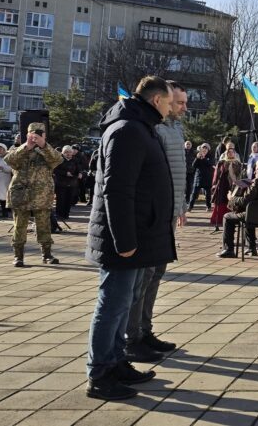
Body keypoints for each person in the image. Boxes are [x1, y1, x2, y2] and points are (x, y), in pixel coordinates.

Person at [85, 76, 175, 401]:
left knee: (123, 305)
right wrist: (124, 240)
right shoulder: (127, 130)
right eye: (168, 102)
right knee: (112, 304)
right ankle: (100, 374)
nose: (171, 108)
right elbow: (117, 189)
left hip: (138, 233)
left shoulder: (140, 126)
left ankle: (116, 361)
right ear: (155, 101)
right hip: (123, 239)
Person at [124, 80, 189, 363]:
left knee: (156, 274)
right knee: (143, 277)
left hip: (170, 213)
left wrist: (181, 205)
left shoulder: (175, 127)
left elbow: (177, 171)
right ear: (162, 100)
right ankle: (132, 337)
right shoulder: (155, 128)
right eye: (179, 103)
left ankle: (145, 330)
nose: (183, 108)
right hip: (153, 214)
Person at [5, 124, 64, 266]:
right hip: (21, 194)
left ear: (44, 136)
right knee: (19, 226)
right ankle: (18, 256)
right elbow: (9, 161)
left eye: (39, 134)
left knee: (44, 225)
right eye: (32, 134)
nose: (35, 137)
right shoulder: (18, 150)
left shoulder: (47, 151)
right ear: (27, 135)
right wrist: (26, 146)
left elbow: (58, 160)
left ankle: (47, 254)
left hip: (41, 195)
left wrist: (44, 146)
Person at [219, 158, 258, 257]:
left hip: (255, 216)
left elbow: (245, 201)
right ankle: (251, 248)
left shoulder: (256, 182)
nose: (254, 171)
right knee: (250, 213)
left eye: (256, 169)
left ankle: (229, 250)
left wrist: (232, 198)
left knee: (227, 217)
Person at [211, 144, 243, 229]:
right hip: (223, 184)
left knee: (232, 200)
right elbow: (216, 174)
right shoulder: (221, 162)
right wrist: (214, 184)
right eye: (229, 152)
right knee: (221, 200)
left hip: (233, 184)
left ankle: (232, 219)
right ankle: (219, 219)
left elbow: (240, 174)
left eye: (232, 152)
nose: (231, 154)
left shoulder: (237, 163)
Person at [53, 146, 80, 219]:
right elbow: (54, 170)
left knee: (69, 200)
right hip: (61, 183)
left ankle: (66, 214)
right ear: (63, 153)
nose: (68, 154)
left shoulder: (75, 160)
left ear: (72, 153)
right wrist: (65, 173)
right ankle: (59, 214)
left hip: (72, 183)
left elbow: (79, 170)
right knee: (61, 200)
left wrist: (80, 174)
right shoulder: (59, 160)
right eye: (66, 152)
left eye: (70, 152)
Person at [188, 144, 214, 211]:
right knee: (194, 194)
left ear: (208, 150)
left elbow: (210, 164)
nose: (204, 150)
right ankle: (190, 207)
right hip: (198, 177)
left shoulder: (210, 156)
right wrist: (197, 158)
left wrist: (204, 158)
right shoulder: (198, 156)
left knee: (208, 194)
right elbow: (193, 165)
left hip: (207, 177)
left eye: (206, 149)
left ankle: (208, 206)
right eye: (203, 149)